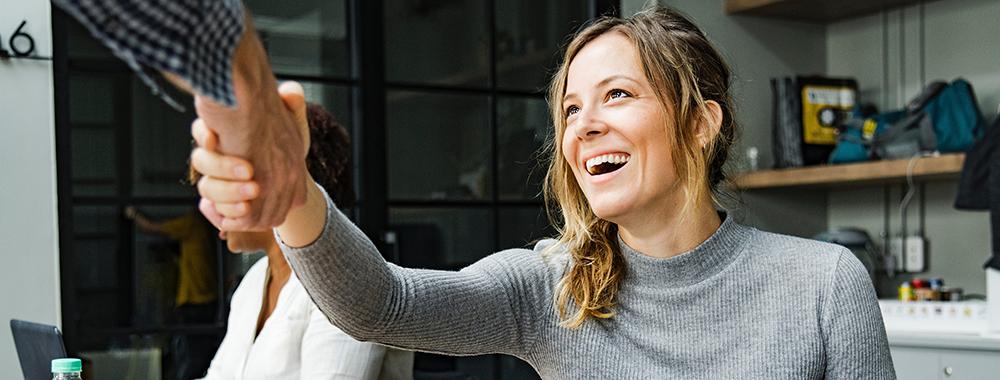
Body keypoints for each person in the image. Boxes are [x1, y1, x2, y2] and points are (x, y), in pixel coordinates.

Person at [190, 6, 896, 379]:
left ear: (701, 122)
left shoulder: (823, 285)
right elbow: (381, 302)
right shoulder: (551, 288)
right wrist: (291, 192)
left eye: (617, 95)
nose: (585, 126)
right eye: (570, 109)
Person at [199, 98, 413, 380]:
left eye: (227, 185)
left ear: (275, 182)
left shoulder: (344, 280)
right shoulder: (254, 280)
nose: (211, 204)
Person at [123, 206, 219, 380]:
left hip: (195, 304)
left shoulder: (192, 224)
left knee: (190, 360)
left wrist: (133, 214)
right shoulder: (199, 236)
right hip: (200, 302)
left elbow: (153, 227)